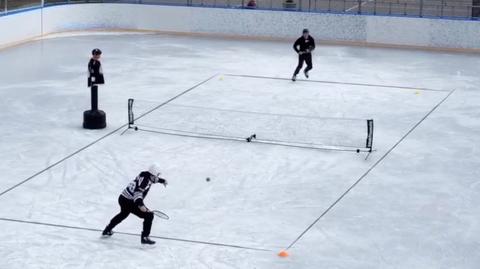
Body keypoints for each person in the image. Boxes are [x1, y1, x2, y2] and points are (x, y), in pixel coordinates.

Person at [102, 164, 168, 245]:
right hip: (129, 201)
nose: (157, 178)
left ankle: (107, 230)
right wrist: (141, 206)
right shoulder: (145, 182)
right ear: (152, 175)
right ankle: (145, 238)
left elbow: (154, 179)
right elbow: (137, 193)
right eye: (156, 176)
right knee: (149, 215)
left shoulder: (145, 175)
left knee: (123, 214)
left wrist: (162, 181)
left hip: (123, 198)